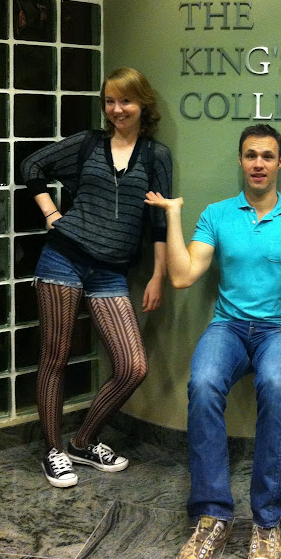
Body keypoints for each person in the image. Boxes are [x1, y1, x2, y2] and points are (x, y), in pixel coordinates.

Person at [145, 123, 281, 559]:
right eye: (250, 155)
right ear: (241, 161)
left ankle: (266, 522)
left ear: (280, 163)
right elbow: (182, 276)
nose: (258, 163)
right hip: (229, 327)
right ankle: (211, 517)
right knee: (203, 383)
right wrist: (174, 215)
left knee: (275, 384)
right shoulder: (217, 215)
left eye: (267, 156)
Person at [21, 66, 172, 489]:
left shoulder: (156, 156)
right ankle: (53, 450)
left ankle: (82, 442)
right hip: (63, 259)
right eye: (110, 101)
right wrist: (52, 212)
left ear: (143, 103)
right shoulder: (88, 143)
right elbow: (31, 165)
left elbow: (159, 221)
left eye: (126, 100)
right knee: (55, 356)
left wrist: (158, 274)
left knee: (132, 367)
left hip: (111, 271)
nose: (117, 109)